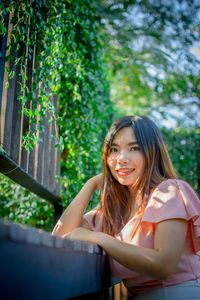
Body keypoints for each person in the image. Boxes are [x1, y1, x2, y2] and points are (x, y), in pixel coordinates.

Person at [52, 115, 200, 299]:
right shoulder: (112, 209)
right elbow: (59, 239)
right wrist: (90, 185)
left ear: (152, 152)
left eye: (134, 148)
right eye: (114, 150)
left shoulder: (168, 192)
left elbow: (164, 266)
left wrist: (98, 238)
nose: (121, 159)